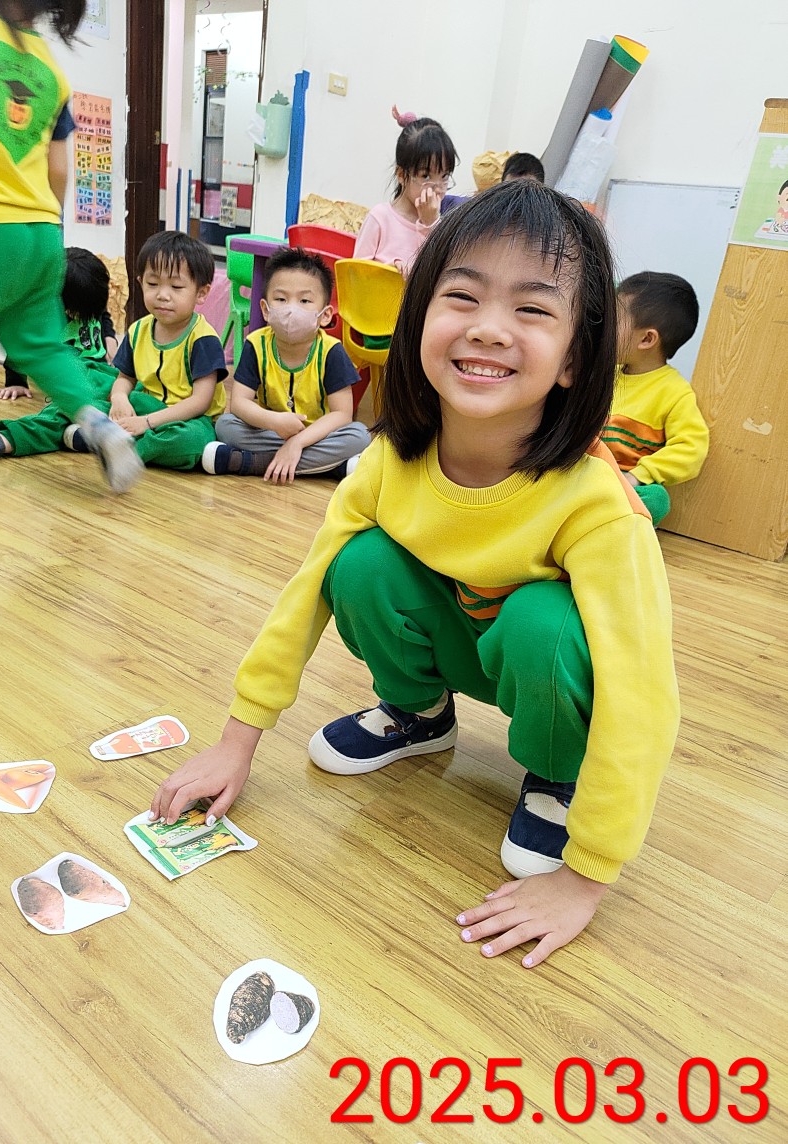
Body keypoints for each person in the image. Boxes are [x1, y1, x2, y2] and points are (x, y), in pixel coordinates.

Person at [151, 181, 680, 970]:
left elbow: (642, 695)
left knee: (543, 620)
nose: (489, 327)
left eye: (532, 309)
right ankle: (420, 715)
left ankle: (557, 775)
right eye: (462, 297)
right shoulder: (387, 461)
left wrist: (587, 876)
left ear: (575, 357)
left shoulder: (600, 506)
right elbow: (303, 597)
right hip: (458, 639)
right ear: (420, 318)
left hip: (538, 665)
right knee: (356, 563)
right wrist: (237, 741)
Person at [0, 0, 141, 494]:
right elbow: (59, 168)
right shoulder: (48, 64)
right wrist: (44, 229)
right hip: (42, 231)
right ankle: (100, 424)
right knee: (40, 345)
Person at [0, 231, 227, 471]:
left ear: (201, 293)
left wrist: (145, 423)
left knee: (190, 441)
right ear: (140, 283)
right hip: (142, 403)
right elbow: (125, 378)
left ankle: (113, 446)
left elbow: (200, 402)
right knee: (80, 400)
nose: (162, 295)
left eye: (176, 287)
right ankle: (1, 441)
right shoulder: (139, 329)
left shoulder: (202, 338)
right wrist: (120, 398)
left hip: (187, 418)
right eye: (152, 284)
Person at [205, 247, 370, 482]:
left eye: (305, 300)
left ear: (325, 315)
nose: (292, 309)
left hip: (316, 435)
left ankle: (254, 463)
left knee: (359, 435)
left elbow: (342, 414)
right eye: (281, 299)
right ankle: (330, 468)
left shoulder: (331, 351)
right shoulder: (256, 344)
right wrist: (274, 421)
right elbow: (239, 403)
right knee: (225, 425)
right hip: (271, 430)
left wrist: (298, 442)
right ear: (265, 309)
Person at [0, 247, 122, 462]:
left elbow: (104, 316)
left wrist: (110, 337)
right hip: (73, 377)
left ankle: (81, 433)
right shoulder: (48, 317)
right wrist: (16, 381)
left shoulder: (89, 302)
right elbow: (25, 346)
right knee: (63, 414)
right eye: (73, 311)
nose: (79, 316)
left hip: (102, 372)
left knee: (129, 398)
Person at [602, 271, 709, 526]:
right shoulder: (604, 374)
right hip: (585, 471)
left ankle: (614, 527)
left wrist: (640, 475)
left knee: (657, 498)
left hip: (626, 482)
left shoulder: (674, 392)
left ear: (647, 339)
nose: (605, 327)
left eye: (615, 320)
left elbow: (691, 449)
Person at [353, 105, 458, 276]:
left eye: (444, 176)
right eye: (425, 176)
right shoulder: (380, 218)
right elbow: (355, 275)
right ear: (402, 175)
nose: (437, 188)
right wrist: (389, 271)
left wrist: (430, 225)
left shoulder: (441, 226)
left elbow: (439, 276)